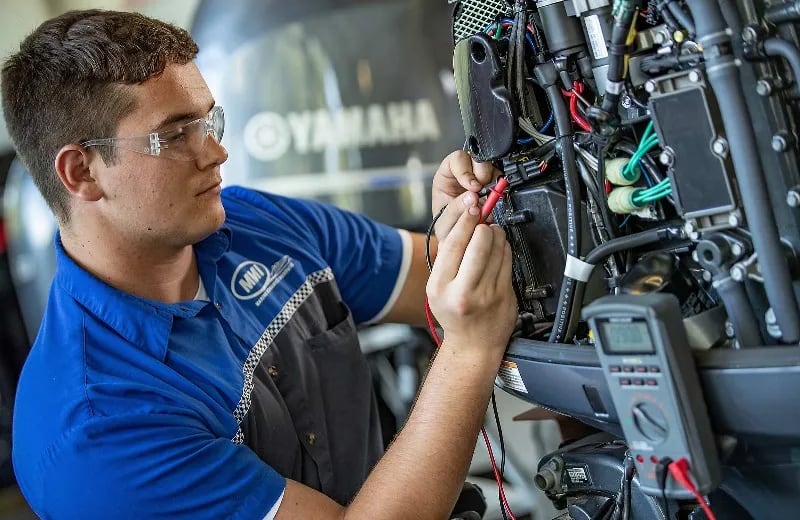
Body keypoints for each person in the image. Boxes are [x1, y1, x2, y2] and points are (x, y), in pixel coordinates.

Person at [1, 9, 516, 520]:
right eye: (176, 136)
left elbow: (434, 282)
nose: (217, 152)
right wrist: (470, 350)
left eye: (209, 121)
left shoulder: (253, 223)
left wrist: (458, 231)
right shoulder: (98, 428)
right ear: (81, 172)